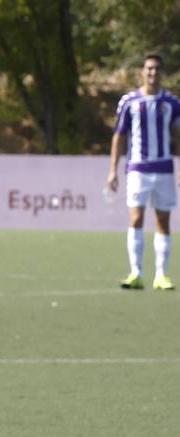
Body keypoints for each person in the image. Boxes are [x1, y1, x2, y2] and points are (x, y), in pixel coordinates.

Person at [107, 52, 180, 291]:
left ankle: (161, 275)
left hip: (164, 169)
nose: (153, 73)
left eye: (157, 69)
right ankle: (136, 272)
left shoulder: (172, 103)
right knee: (136, 218)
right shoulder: (129, 102)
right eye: (149, 69)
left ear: (162, 73)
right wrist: (113, 170)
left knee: (163, 220)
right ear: (142, 72)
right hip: (138, 169)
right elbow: (119, 135)